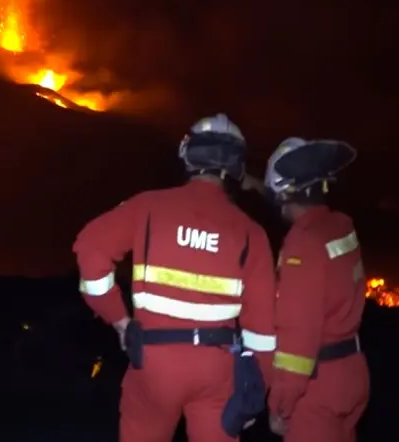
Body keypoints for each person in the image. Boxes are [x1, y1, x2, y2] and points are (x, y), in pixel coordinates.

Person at [72, 114, 277, 442]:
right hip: (218, 370)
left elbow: (90, 250)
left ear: (188, 152)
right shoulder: (251, 233)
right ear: (237, 166)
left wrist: (119, 319)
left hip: (154, 364)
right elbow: (262, 331)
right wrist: (256, 392)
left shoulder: (148, 206)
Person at [260, 137, 370, 442]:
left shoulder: (302, 244)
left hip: (316, 388)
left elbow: (299, 336)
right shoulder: (341, 226)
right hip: (351, 373)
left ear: (283, 193)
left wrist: (282, 404)